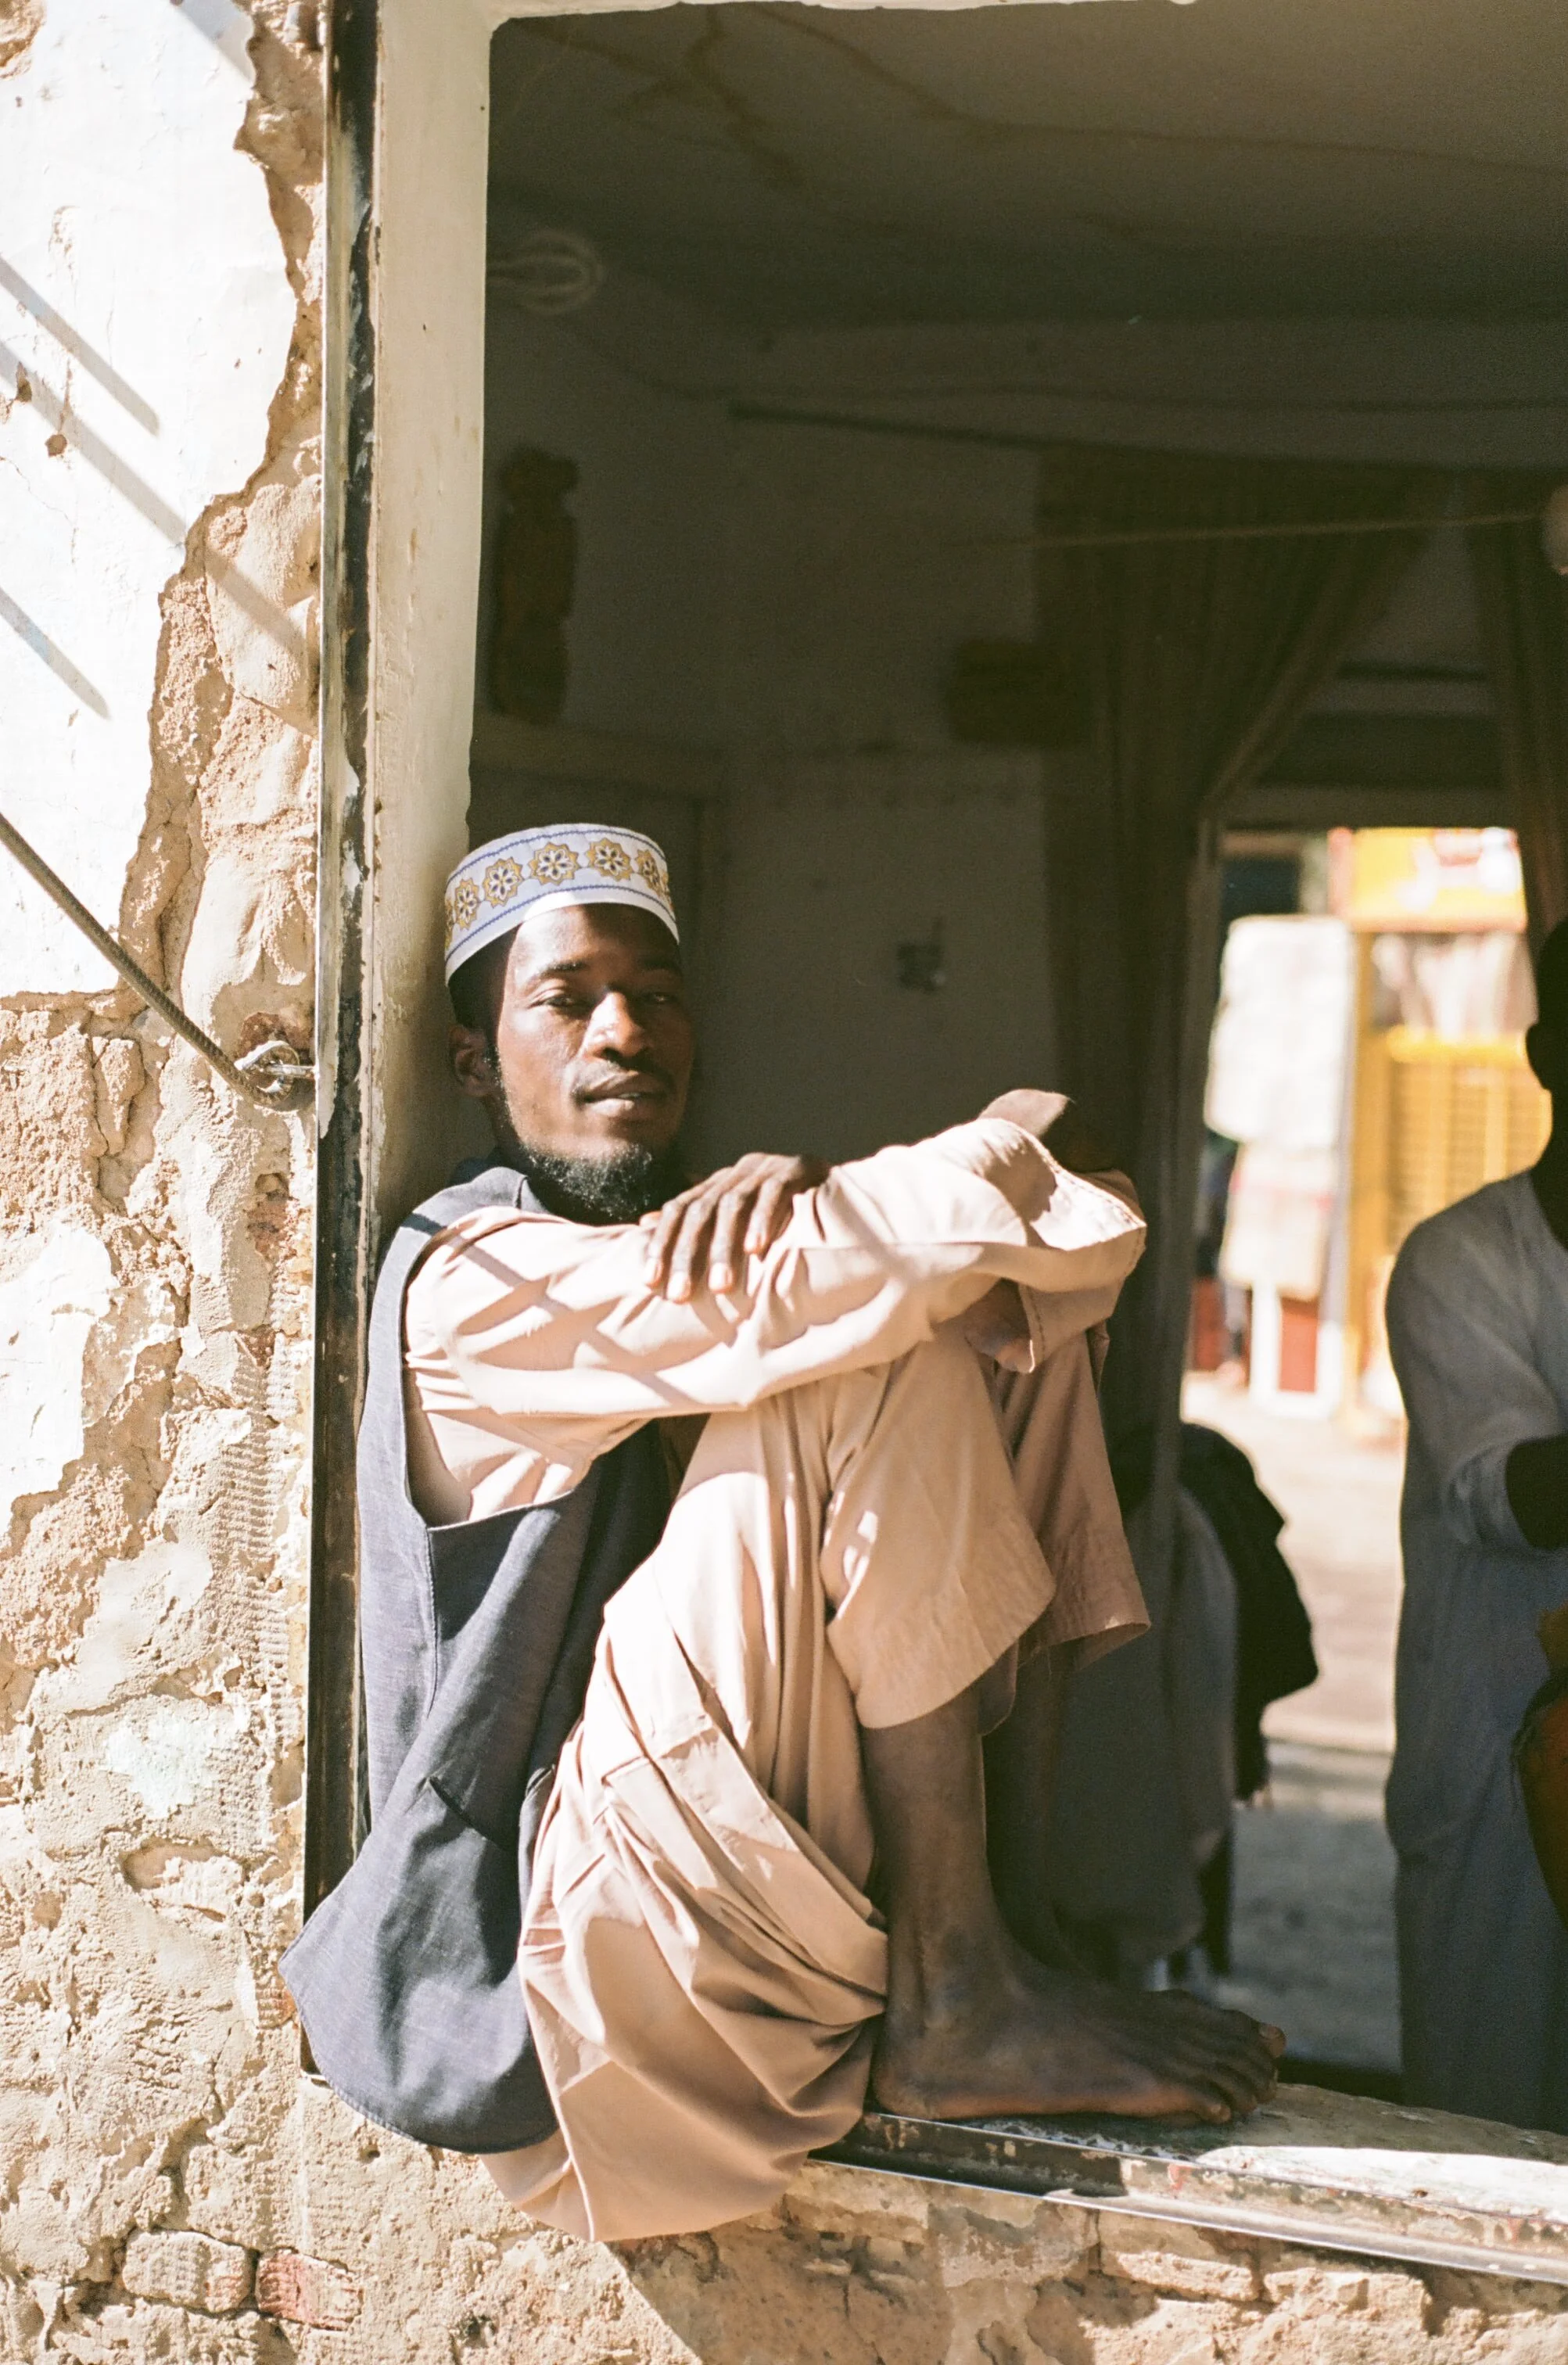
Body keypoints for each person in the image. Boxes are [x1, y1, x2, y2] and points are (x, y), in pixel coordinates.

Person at [286, 824, 1282, 2242]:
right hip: (561, 1963)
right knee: (888, 1341)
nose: (626, 1031)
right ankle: (955, 1990)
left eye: (659, 994)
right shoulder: (470, 1281)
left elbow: (1102, 1230)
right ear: (471, 1062)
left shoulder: (702, 1241)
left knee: (999, 1338)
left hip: (712, 1855)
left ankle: (1013, 1926)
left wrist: (865, 1212)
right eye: (567, 999)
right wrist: (910, 1185)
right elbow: (900, 1267)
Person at [1387, 917, 1568, 2131]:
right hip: (1501, 1767)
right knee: (1494, 2141)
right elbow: (1507, 1497)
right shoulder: (1460, 1261)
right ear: (1550, 1053)